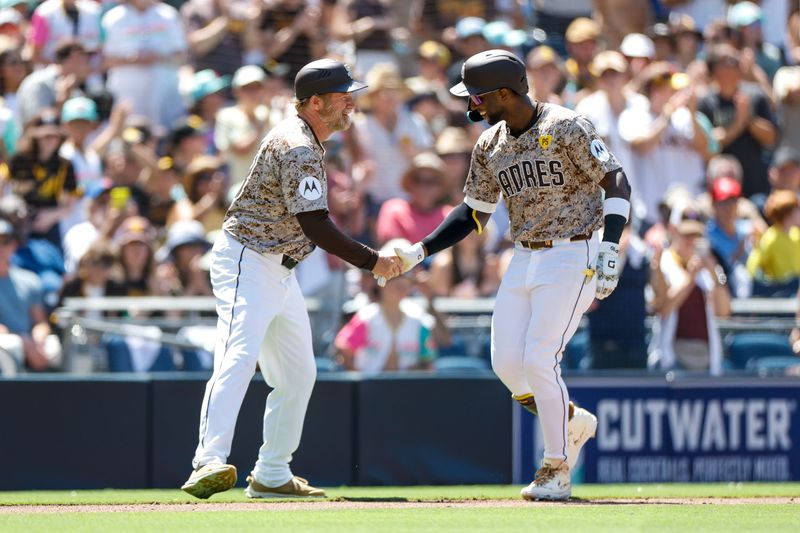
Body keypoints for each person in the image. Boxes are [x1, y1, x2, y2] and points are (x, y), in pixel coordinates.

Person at [391, 49, 632, 501]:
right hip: (524, 255)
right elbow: (473, 214)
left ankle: (556, 467)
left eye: (478, 96)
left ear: (505, 92)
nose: (472, 105)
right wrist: (421, 250)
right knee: (506, 364)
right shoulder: (490, 144)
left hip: (573, 250)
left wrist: (610, 243)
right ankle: (572, 420)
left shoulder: (566, 125)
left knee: (541, 358)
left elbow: (615, 181)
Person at [181, 58, 401, 500]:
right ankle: (207, 459)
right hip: (248, 257)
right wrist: (374, 261)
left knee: (299, 374)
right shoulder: (298, 144)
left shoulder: (307, 140)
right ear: (315, 102)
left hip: (279, 267)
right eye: (343, 96)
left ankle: (273, 472)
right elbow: (315, 226)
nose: (351, 103)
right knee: (238, 354)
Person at [0, 218, 62, 373]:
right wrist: (23, 340)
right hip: (8, 341)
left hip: (28, 341)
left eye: (5, 241)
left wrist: (38, 338)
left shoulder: (29, 280)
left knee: (53, 346)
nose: (0, 247)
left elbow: (40, 321)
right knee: (11, 346)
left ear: (14, 245)